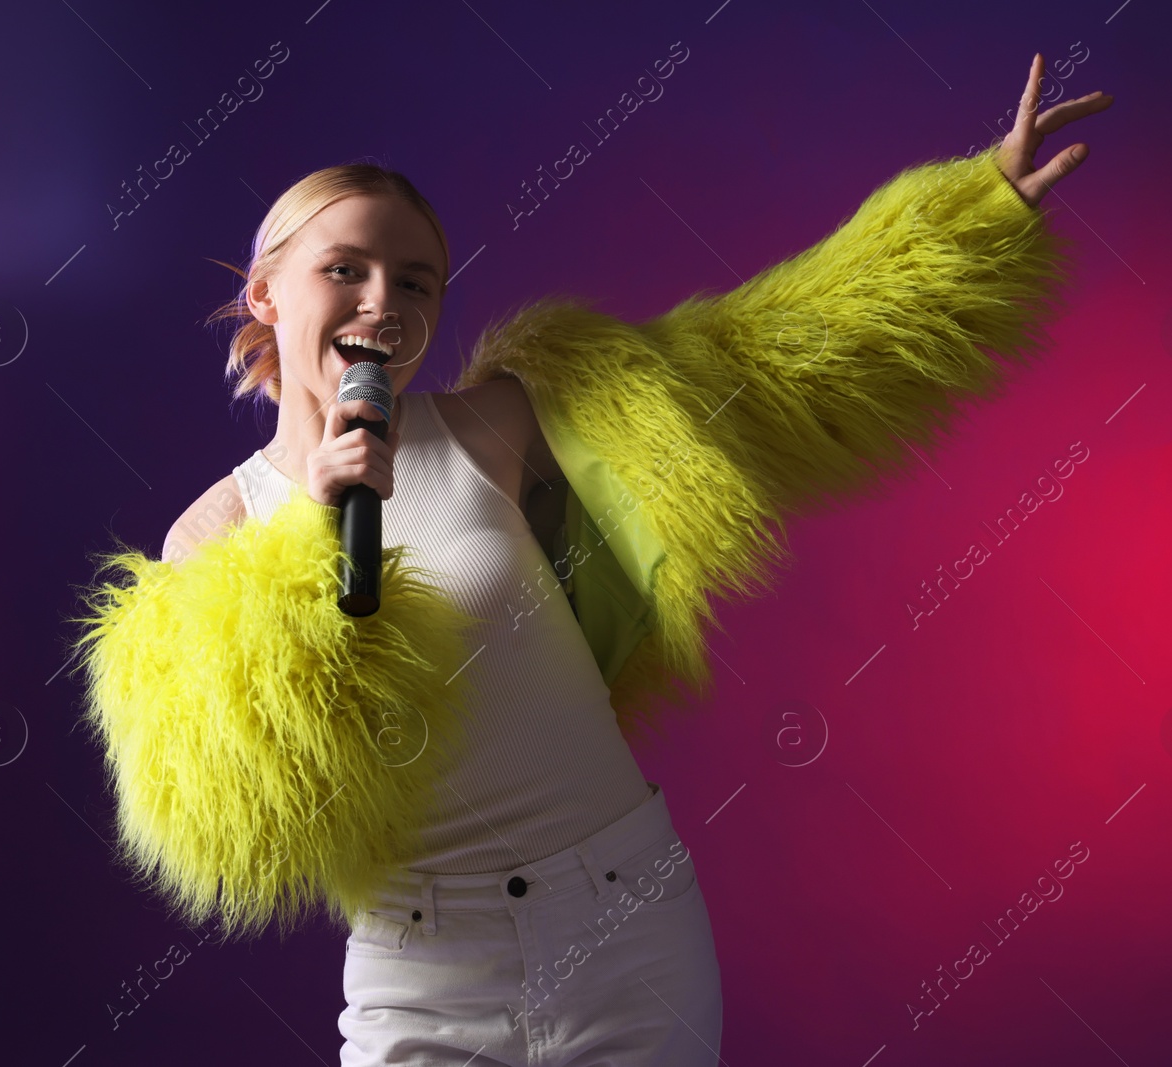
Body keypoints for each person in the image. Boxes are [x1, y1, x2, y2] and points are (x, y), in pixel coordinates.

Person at [70, 53, 1110, 1066]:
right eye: (344, 268)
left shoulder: (501, 422)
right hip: (424, 968)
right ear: (265, 295)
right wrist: (323, 535)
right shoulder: (217, 532)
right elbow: (243, 825)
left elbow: (763, 360)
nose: (383, 302)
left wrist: (969, 217)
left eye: (416, 280)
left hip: (626, 926)